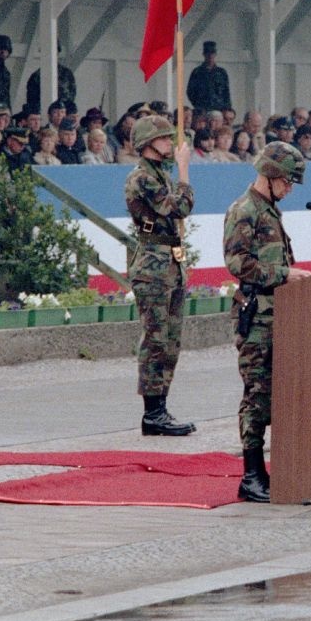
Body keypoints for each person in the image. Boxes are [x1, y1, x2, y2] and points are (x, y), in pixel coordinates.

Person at [223, 141, 311, 502]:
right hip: (257, 316)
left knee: (276, 393)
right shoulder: (245, 210)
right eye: (287, 181)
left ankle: (267, 472)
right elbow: (237, 264)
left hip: (277, 315)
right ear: (272, 175)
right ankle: (251, 474)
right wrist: (284, 274)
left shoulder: (269, 210)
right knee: (257, 394)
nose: (289, 189)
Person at [123, 114, 197, 437]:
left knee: (170, 340)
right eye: (165, 138)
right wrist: (184, 169)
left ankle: (161, 408)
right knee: (156, 339)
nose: (171, 143)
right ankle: (152, 414)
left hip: (168, 261)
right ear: (148, 143)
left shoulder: (157, 175)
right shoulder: (142, 178)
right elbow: (178, 207)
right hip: (153, 266)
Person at [185, 41, 232, 115]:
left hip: (219, 110)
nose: (210, 56)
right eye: (208, 53)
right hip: (202, 110)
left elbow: (226, 92)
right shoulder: (197, 72)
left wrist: (227, 109)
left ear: (215, 54)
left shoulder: (222, 72)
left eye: (212, 53)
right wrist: (198, 105)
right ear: (204, 54)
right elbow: (190, 92)